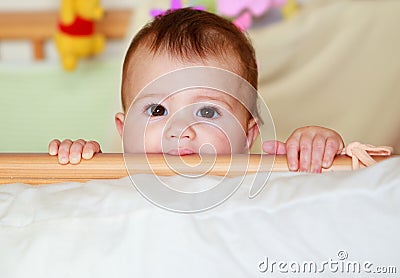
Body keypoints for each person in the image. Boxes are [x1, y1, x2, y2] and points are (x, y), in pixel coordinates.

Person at [48, 8, 344, 173]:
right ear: (124, 132)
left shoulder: (265, 179)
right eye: (157, 110)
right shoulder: (110, 178)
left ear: (247, 136)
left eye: (207, 111)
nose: (181, 130)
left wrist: (314, 151)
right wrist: (74, 166)